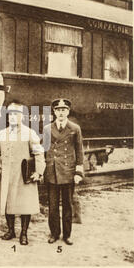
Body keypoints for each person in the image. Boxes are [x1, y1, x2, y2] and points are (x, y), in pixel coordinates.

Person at [0, 101, 45, 245]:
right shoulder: (3, 133)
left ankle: (24, 233)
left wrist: (38, 172)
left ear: (22, 116)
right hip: (6, 175)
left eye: (16, 114)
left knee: (24, 205)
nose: (13, 117)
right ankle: (10, 231)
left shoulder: (29, 133)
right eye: (11, 114)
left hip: (23, 175)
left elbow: (39, 153)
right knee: (8, 204)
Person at [43, 98, 84, 246]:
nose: (61, 113)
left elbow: (79, 151)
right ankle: (54, 233)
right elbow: (44, 151)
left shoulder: (75, 128)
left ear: (68, 111)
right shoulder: (47, 128)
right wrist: (42, 170)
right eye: (58, 110)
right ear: (54, 112)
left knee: (68, 205)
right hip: (52, 171)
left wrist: (78, 173)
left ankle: (67, 235)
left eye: (64, 110)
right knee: (52, 206)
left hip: (68, 171)